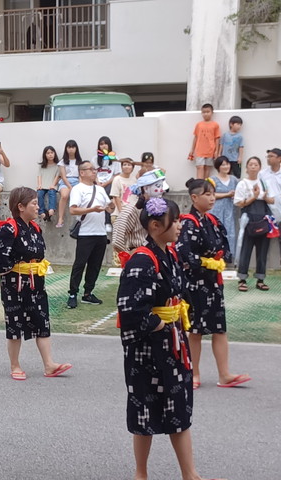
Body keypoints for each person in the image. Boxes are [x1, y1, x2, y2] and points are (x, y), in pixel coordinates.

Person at [118, 198, 220, 480]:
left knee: (179, 407)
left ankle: (191, 475)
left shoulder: (171, 255)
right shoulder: (141, 260)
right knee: (144, 410)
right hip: (148, 351)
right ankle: (141, 474)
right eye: (174, 221)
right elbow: (129, 310)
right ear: (154, 225)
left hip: (173, 344)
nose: (179, 225)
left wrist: (178, 319)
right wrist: (161, 323)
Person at [0, 187, 72, 380]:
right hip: (14, 285)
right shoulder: (9, 228)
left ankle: (49, 365)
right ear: (21, 207)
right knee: (15, 324)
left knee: (42, 320)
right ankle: (15, 366)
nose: (37, 206)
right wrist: (8, 267)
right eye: (34, 203)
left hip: (36, 283)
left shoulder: (35, 228)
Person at [177, 178, 251, 390]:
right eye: (207, 194)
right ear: (194, 197)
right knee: (196, 330)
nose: (211, 198)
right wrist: (205, 262)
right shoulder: (188, 222)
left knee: (220, 328)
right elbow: (184, 253)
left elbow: (225, 246)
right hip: (194, 283)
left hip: (213, 283)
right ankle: (193, 373)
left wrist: (220, 258)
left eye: (213, 194)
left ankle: (225, 374)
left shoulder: (213, 221)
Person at [67, 161, 115, 309]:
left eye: (95, 169)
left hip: (100, 233)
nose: (94, 172)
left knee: (95, 265)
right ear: (82, 172)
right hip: (85, 233)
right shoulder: (77, 189)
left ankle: (88, 293)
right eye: (91, 169)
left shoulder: (100, 190)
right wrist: (92, 210)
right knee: (80, 264)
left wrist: (111, 206)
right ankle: (73, 293)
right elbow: (73, 210)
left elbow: (109, 208)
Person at [233, 156, 275, 291]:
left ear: (259, 167)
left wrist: (265, 197)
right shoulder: (242, 183)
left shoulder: (264, 182)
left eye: (256, 164)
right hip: (248, 219)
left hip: (263, 218)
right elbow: (239, 203)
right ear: (246, 168)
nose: (253, 167)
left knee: (263, 250)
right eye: (250, 164)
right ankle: (242, 279)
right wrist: (254, 197)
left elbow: (271, 200)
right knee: (246, 249)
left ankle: (261, 279)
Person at [112, 169, 167, 259]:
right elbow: (117, 240)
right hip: (139, 255)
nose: (162, 190)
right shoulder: (131, 210)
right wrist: (130, 255)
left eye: (162, 186)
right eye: (158, 186)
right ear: (145, 188)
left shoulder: (161, 209)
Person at [210, 156, 238, 256]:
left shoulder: (234, 179)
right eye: (223, 164)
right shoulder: (212, 179)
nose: (226, 166)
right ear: (218, 167)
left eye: (227, 164)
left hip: (229, 210)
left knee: (229, 233)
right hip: (215, 210)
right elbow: (210, 194)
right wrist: (227, 195)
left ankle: (228, 256)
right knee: (215, 232)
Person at [92, 136, 120, 232]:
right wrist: (98, 183)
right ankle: (98, 222)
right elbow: (94, 173)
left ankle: (107, 222)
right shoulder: (95, 159)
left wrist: (105, 184)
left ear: (109, 145)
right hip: (97, 183)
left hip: (110, 182)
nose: (103, 146)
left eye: (105, 144)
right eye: (101, 144)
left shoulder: (115, 158)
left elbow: (116, 175)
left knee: (107, 196)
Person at [55, 139, 83, 228]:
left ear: (76, 149)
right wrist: (70, 187)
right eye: (69, 147)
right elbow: (63, 176)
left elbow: (80, 176)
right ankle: (60, 218)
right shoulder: (62, 161)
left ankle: (81, 217)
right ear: (66, 149)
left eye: (73, 147)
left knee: (81, 195)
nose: (71, 149)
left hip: (77, 181)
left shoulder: (79, 161)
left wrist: (81, 185)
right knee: (64, 195)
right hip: (65, 181)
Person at [259, 147, 281, 258]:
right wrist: (265, 197)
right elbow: (259, 189)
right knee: (264, 240)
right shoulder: (262, 174)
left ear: (279, 159)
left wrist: (275, 199)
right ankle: (261, 267)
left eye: (271, 156)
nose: (268, 159)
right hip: (266, 212)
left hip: (279, 209)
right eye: (268, 156)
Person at [188, 103, 220, 179]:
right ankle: (199, 184)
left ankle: (205, 185)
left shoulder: (215, 125)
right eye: (204, 112)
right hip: (199, 150)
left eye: (208, 112)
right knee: (200, 167)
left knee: (207, 168)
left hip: (210, 150)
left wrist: (216, 151)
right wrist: (192, 149)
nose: (206, 114)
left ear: (212, 112)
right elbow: (195, 137)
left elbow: (217, 138)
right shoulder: (199, 124)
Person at [36, 146, 60, 222]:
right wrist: (39, 185)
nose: (50, 155)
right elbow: (39, 176)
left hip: (52, 186)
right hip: (43, 186)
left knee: (52, 193)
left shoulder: (58, 166)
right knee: (39, 194)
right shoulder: (42, 166)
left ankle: (51, 209)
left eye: (52, 152)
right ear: (45, 155)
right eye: (48, 153)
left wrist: (53, 185)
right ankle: (41, 212)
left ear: (54, 154)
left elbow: (57, 176)